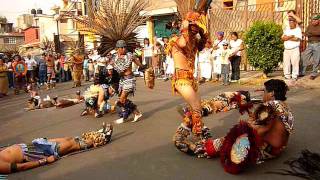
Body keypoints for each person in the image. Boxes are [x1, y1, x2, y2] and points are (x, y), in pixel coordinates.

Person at [173, 79, 293, 174]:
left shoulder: (270, 106)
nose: (263, 94)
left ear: (271, 93)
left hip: (265, 149)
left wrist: (235, 138)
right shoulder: (284, 106)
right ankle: (199, 121)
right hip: (278, 149)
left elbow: (261, 129)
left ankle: (197, 138)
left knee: (216, 143)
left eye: (265, 91)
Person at [166, 2, 209, 137]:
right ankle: (200, 136)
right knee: (197, 108)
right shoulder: (175, 39)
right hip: (181, 80)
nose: (195, 29)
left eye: (196, 28)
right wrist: (186, 24)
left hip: (191, 80)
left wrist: (202, 33)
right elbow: (183, 43)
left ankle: (182, 130)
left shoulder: (194, 42)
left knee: (196, 108)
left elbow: (204, 44)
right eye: (193, 27)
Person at [0, 123, 113, 174]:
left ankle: (97, 133)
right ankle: (102, 138)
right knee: (71, 145)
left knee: (67, 139)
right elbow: (21, 167)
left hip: (32, 145)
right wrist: (44, 161)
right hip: (36, 154)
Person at [113, 40, 143, 124]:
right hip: (122, 80)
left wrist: (144, 67)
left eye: (125, 47)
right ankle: (136, 113)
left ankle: (126, 115)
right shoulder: (115, 57)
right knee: (122, 99)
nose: (124, 49)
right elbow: (113, 68)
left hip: (129, 79)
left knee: (122, 100)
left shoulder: (130, 56)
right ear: (118, 49)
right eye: (122, 47)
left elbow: (140, 65)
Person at [301, 14, 320, 80]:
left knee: (316, 60)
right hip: (309, 44)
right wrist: (313, 33)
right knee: (304, 57)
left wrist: (311, 33)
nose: (313, 21)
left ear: (318, 20)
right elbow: (306, 33)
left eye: (315, 20)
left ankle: (313, 74)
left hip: (317, 44)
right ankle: (302, 72)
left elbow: (318, 33)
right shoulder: (310, 25)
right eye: (312, 20)